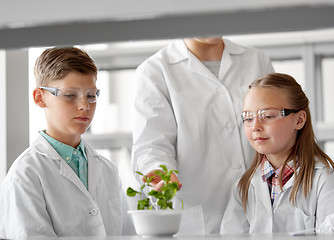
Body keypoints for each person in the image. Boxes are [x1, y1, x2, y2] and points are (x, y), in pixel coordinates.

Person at [131, 37, 274, 233]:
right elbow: (152, 146)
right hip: (200, 220)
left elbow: (278, 131)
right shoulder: (155, 71)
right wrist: (160, 172)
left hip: (260, 211)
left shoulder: (257, 61)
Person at [0, 47, 133, 238]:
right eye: (70, 95)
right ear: (40, 98)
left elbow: (127, 234)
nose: (84, 106)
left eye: (91, 95)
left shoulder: (107, 170)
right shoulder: (26, 175)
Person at [220, 73, 334, 234]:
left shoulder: (325, 183)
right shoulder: (243, 189)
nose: (255, 126)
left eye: (267, 116)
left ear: (299, 120)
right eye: (248, 118)